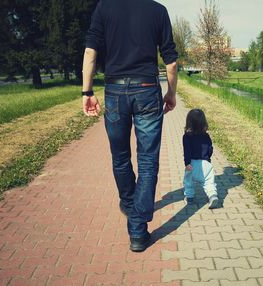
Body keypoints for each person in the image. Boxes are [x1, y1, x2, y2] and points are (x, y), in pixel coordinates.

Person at [81, 0, 178, 252]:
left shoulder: (104, 8)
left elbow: (90, 52)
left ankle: (128, 202)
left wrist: (87, 91)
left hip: (114, 91)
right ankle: (137, 230)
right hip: (147, 90)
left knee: (120, 156)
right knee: (148, 161)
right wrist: (171, 93)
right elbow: (172, 62)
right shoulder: (158, 11)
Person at [182, 109, 219, 209]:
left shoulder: (187, 137)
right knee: (209, 182)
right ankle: (212, 196)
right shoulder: (206, 136)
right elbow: (210, 148)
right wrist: (208, 158)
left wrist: (187, 163)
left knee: (188, 181)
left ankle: (189, 197)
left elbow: (187, 151)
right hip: (206, 164)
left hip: (192, 164)